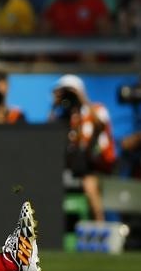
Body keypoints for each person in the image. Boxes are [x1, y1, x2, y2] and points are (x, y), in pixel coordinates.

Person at [49, 74, 116, 223]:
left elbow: (100, 124)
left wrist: (82, 99)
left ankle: (100, 224)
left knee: (89, 181)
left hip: (97, 166)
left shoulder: (96, 109)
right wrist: (55, 105)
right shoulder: (64, 117)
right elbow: (48, 136)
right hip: (73, 166)